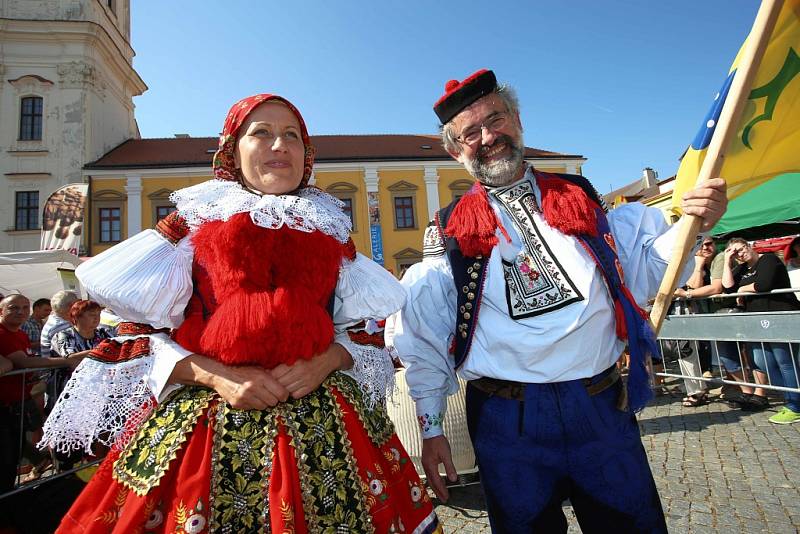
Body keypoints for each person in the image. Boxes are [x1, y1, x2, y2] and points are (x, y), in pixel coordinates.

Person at [40, 93, 441, 533]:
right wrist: (217, 376)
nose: (278, 145)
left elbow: (363, 335)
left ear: (306, 155)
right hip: (208, 428)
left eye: (292, 135)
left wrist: (325, 361)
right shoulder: (188, 230)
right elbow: (134, 338)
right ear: (232, 150)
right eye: (261, 133)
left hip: (325, 423)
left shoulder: (330, 233)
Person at [392, 69, 727, 532]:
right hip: (508, 419)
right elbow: (425, 339)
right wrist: (430, 430)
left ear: (518, 120)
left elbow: (646, 269)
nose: (489, 137)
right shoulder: (448, 233)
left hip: (598, 403)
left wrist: (695, 226)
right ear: (455, 150)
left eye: (497, 118)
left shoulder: (580, 199)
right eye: (471, 132)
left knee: (630, 526)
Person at [0, 295, 74, 506]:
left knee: (16, 447)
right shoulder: (2, 334)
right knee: (7, 455)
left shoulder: (20, 334)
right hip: (6, 403)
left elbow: (20, 362)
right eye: (14, 308)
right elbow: (23, 362)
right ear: (2, 311)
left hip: (19, 398)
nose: (20, 312)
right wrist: (68, 360)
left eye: (24, 307)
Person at [722, 237, 800, 424]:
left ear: (749, 246)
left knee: (785, 361)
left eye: (741, 248)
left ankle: (795, 405)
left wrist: (742, 290)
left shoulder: (768, 260)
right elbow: (727, 291)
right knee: (761, 361)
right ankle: (790, 398)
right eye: (735, 252)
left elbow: (764, 284)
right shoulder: (741, 269)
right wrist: (727, 261)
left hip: (779, 316)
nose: (740, 253)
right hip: (757, 322)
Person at [40, 290, 79, 357]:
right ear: (71, 306)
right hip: (60, 364)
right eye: (78, 303)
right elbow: (69, 353)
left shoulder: (54, 319)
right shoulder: (60, 325)